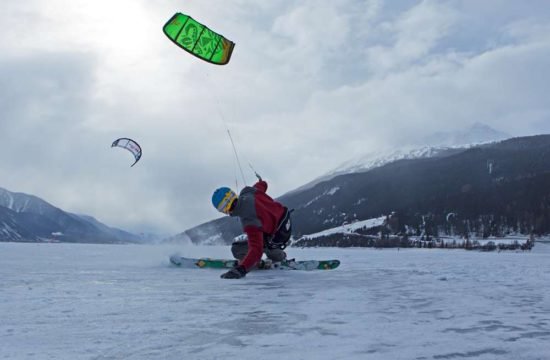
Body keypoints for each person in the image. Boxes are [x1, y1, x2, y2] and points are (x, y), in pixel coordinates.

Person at [211, 178, 292, 279]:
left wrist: (241, 270)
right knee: (263, 237)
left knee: (237, 248)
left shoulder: (249, 219)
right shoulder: (248, 191)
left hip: (278, 236)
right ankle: (277, 255)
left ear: (224, 208)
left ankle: (269, 258)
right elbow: (263, 185)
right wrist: (260, 181)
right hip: (285, 223)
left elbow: (256, 249)